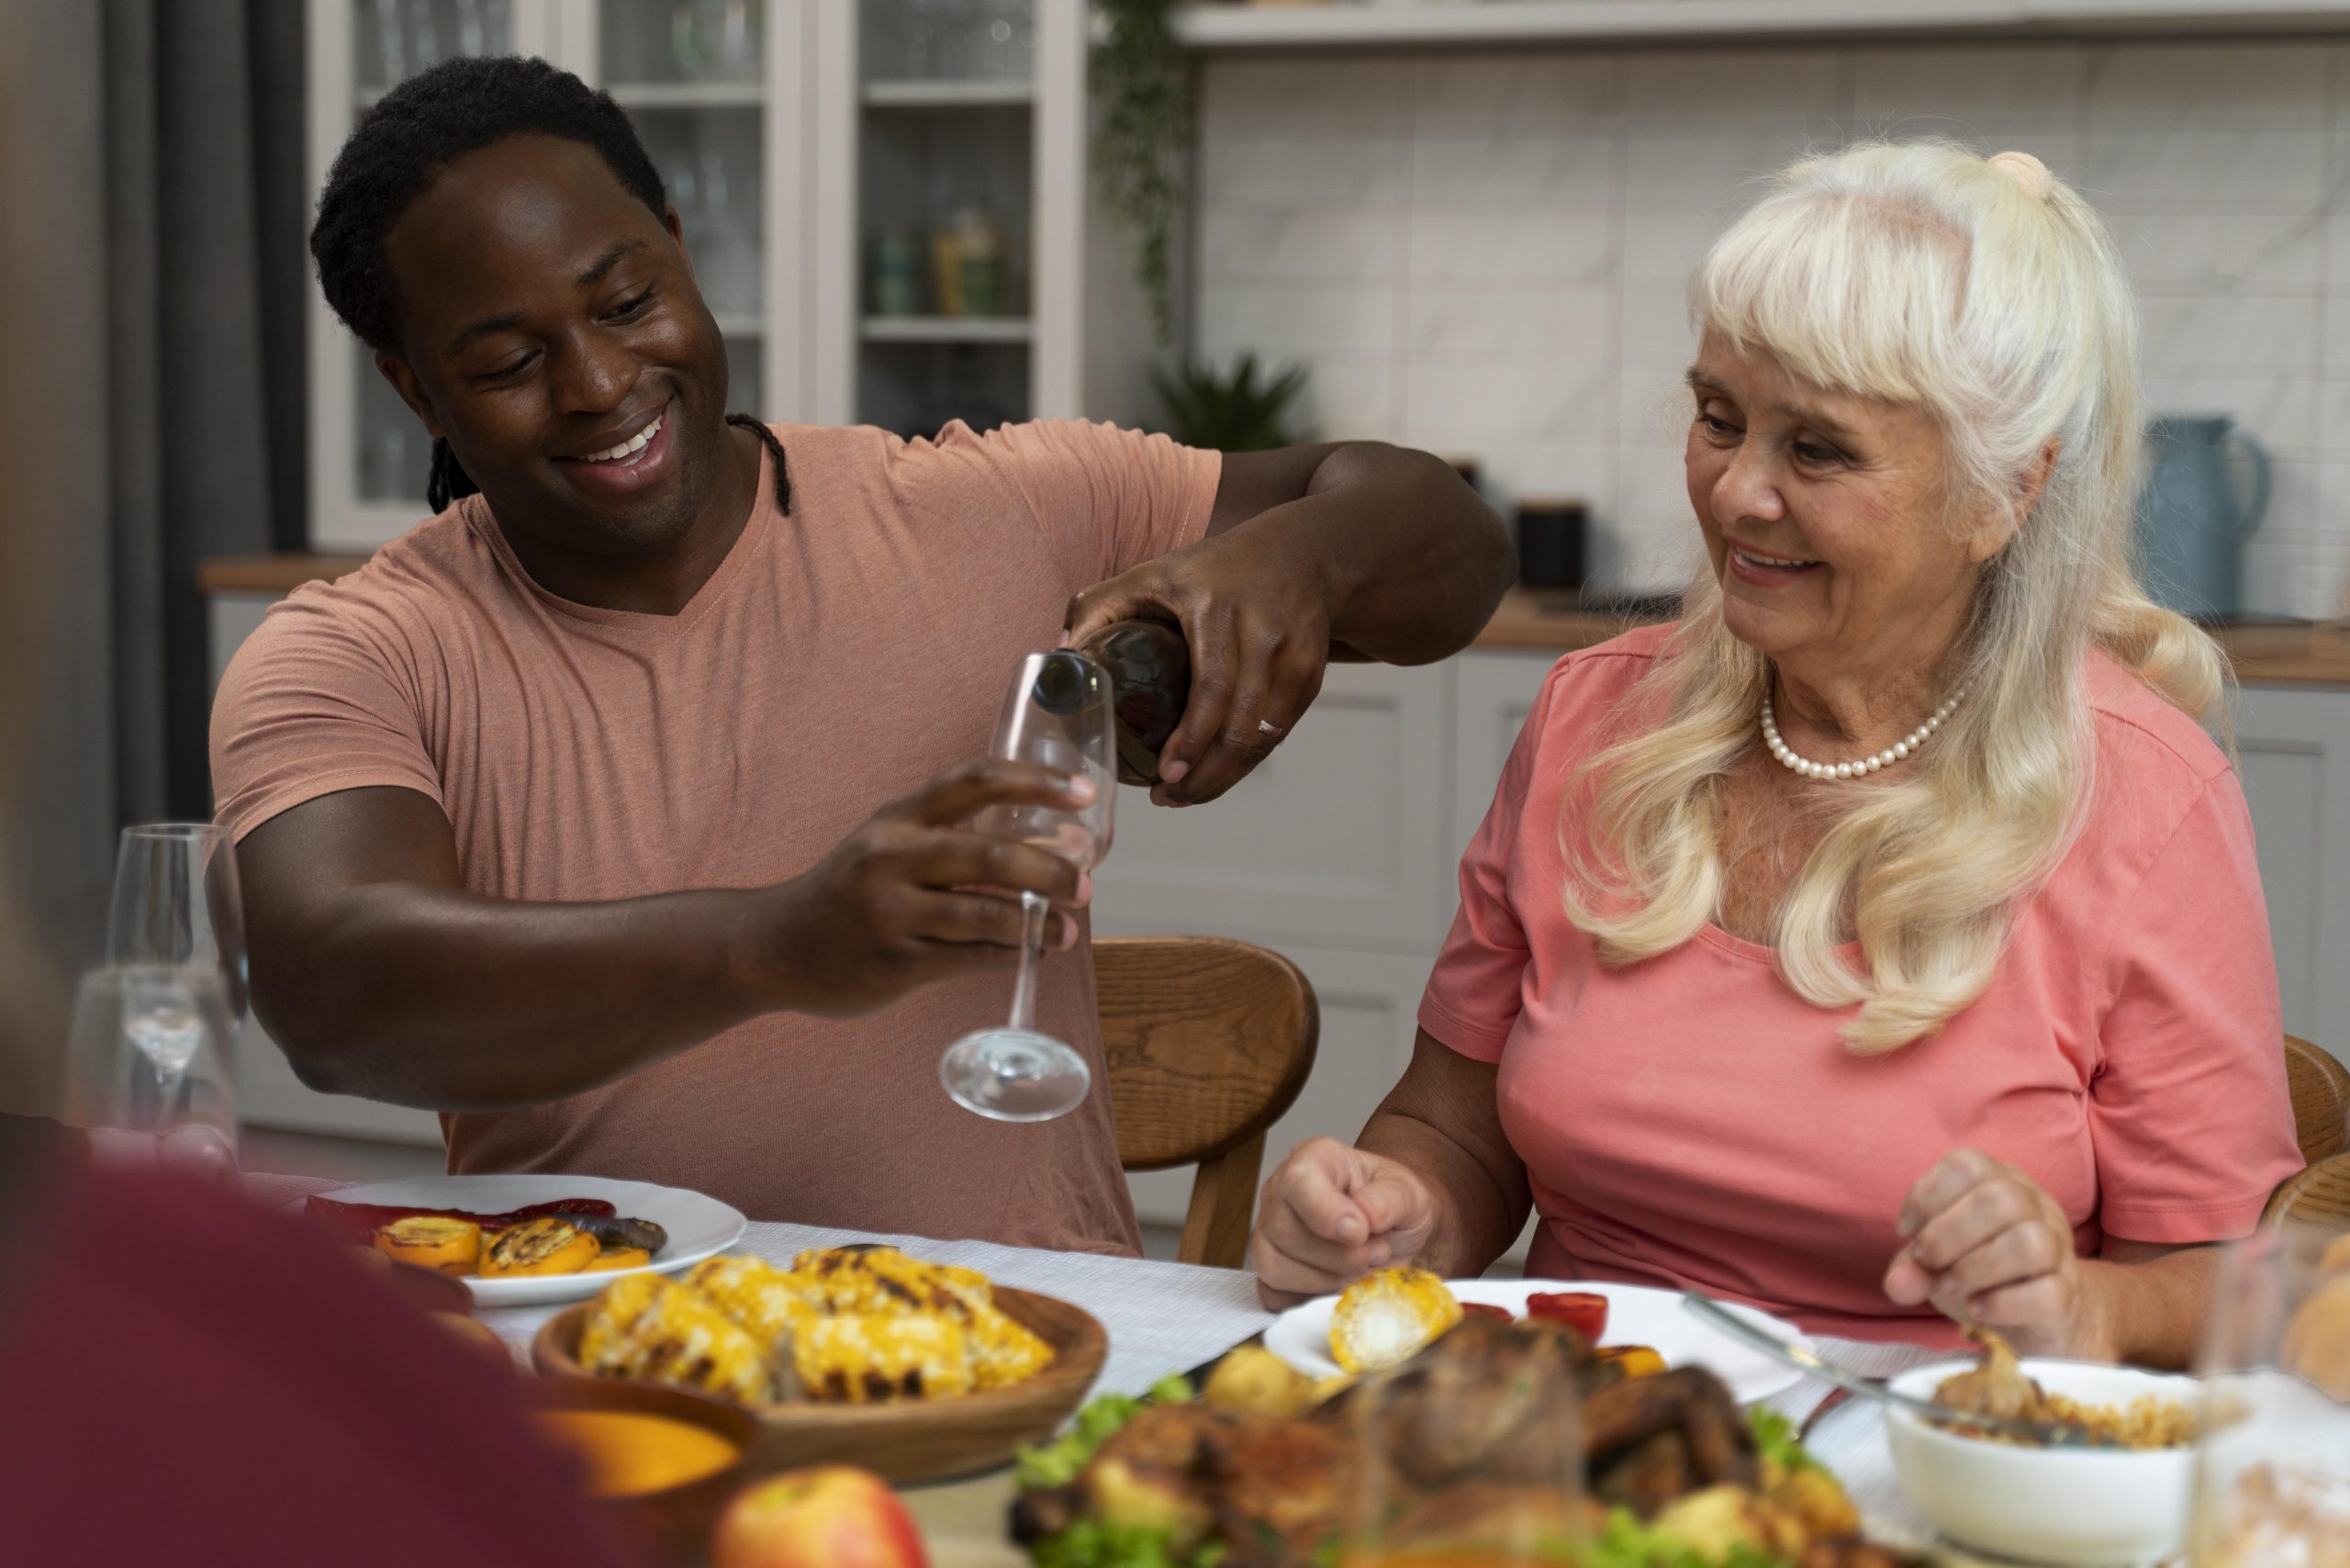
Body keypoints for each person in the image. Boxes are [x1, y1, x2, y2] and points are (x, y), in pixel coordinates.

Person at [210, 57, 1511, 1253]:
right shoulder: (356, 651)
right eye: (507, 361)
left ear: (679, 246)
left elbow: (1451, 543)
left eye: (628, 300)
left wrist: (1305, 557)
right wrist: (781, 946)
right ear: (415, 391)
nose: (601, 382)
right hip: (604, 1377)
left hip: (1029, 1359)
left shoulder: (996, 505)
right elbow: (333, 988)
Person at [1250, 143, 2304, 1364]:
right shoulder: (1593, 723)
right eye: (1718, 419)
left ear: (2005, 490)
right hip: (1573, 1447)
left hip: (1923, 1482)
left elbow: (2227, 1286)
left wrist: (2084, 1307)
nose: (1738, 492)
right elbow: (1455, 1127)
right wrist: (1393, 1214)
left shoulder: (2144, 800)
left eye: (1819, 450)